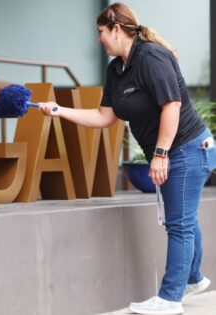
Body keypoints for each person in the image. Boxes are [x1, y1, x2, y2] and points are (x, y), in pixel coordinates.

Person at [39, 2, 216, 315]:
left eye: (101, 32)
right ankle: (193, 278)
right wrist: (59, 110)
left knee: (179, 224)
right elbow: (103, 116)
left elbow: (171, 106)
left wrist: (160, 154)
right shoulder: (116, 69)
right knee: (183, 218)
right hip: (172, 150)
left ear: (116, 28)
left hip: (188, 148)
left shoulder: (151, 57)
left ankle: (171, 298)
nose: (98, 40)